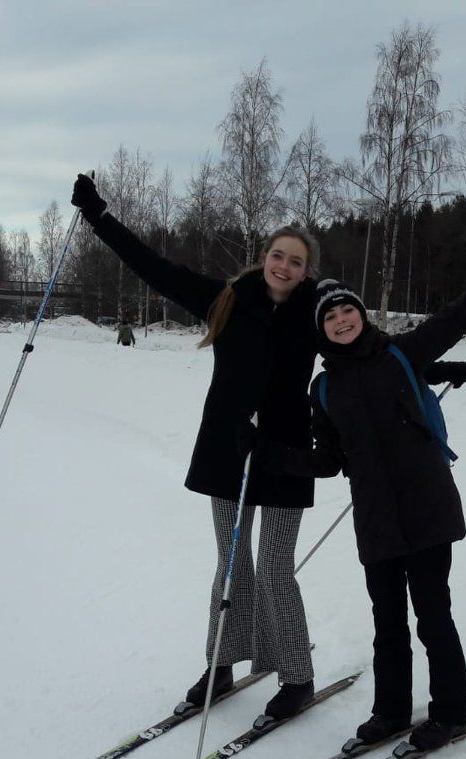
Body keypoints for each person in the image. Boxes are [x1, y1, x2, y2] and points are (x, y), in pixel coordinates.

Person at [255, 214, 466, 751]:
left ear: (361, 314)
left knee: (433, 616)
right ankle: (390, 712)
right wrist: (268, 454)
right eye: (330, 316)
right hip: (376, 521)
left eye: (347, 310)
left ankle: (449, 714)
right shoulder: (324, 391)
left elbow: (463, 313)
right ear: (321, 329)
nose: (341, 320)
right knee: (387, 622)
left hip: (427, 508)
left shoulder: (403, 353)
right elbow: (328, 462)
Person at [69, 173, 321, 719]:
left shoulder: (317, 310)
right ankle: (221, 664)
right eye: (278, 255)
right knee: (231, 563)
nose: (284, 266)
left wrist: (423, 369)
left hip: (287, 456)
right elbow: (153, 267)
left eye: (296, 261)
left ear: (307, 271)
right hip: (228, 450)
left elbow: (365, 346)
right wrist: (99, 218)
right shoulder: (226, 298)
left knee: (275, 568)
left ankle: (297, 676)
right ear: (264, 257)